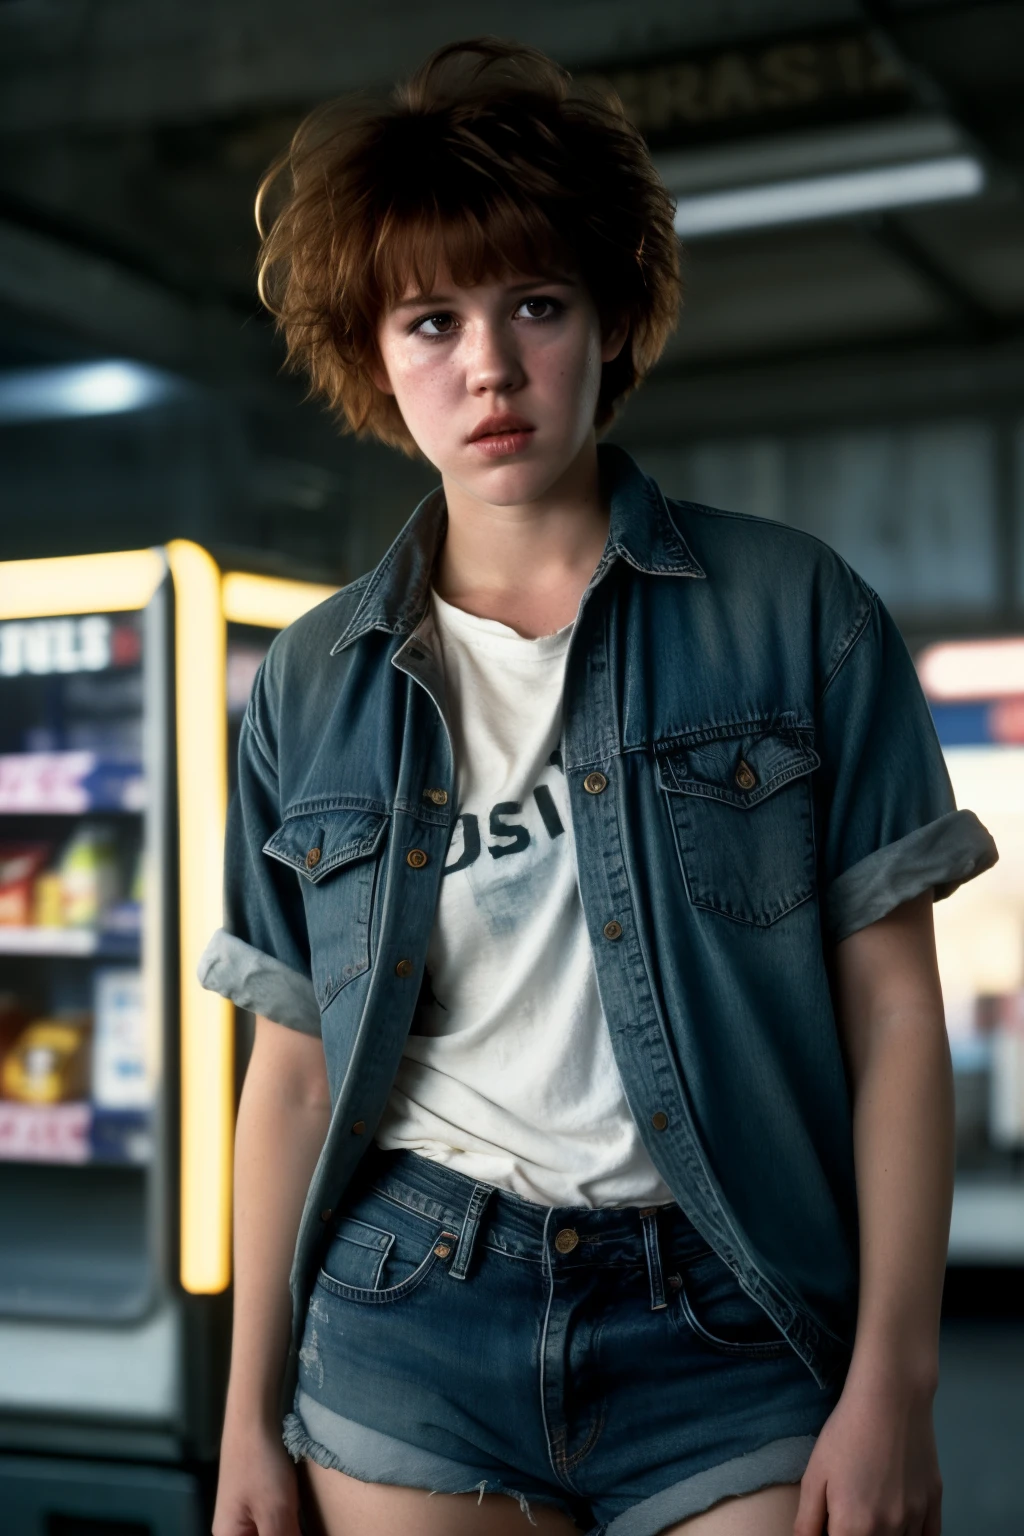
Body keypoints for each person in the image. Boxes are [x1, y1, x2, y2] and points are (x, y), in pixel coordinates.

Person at [202, 37, 998, 1536]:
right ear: (375, 357)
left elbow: (896, 1016)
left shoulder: (794, 614)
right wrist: (246, 1416)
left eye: (537, 306)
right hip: (408, 1313)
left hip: (731, 1307)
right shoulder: (308, 688)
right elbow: (291, 1073)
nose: (489, 367)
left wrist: (895, 1375)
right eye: (431, 321)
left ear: (611, 317)